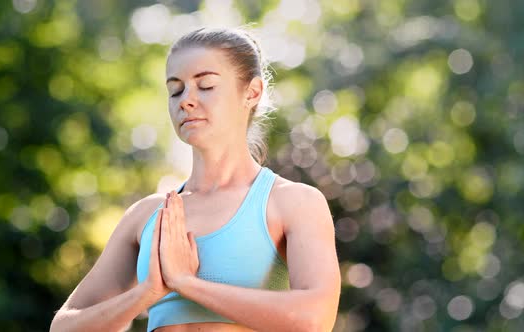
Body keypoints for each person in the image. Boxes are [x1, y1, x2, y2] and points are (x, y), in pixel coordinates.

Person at [50, 26, 341, 332]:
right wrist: (146, 292)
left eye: (205, 85)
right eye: (176, 89)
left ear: (251, 92)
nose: (186, 100)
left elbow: (314, 319)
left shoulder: (292, 202)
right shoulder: (146, 216)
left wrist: (186, 283)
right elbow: (64, 328)